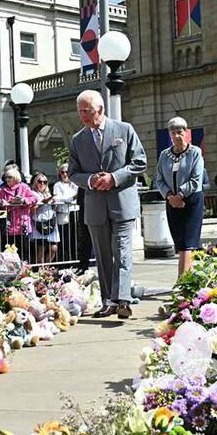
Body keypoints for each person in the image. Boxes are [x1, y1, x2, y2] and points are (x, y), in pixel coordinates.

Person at [67, 88, 147, 319]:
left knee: (121, 252)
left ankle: (122, 300)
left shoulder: (124, 130)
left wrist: (114, 177)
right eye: (80, 110)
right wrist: (91, 180)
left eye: (86, 110)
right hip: (95, 207)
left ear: (100, 109)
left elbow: (139, 162)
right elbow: (73, 173)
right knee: (102, 256)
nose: (82, 115)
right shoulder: (77, 140)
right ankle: (108, 301)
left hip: (121, 203)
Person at [155, 116, 204, 277]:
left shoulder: (195, 152)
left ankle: (182, 280)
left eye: (180, 132)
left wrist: (181, 195)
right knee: (180, 242)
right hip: (171, 202)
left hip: (190, 201)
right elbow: (159, 178)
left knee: (187, 244)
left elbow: (196, 179)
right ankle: (189, 277)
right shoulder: (164, 155)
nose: (177, 136)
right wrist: (170, 196)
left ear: (186, 132)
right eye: (173, 132)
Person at [0, 165, 40, 256]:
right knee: (10, 252)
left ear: (16, 178)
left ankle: (25, 269)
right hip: (9, 226)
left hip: (22, 225)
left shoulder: (24, 187)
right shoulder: (2, 190)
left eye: (10, 177)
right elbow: (1, 209)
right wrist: (5, 204)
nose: (7, 179)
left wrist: (23, 200)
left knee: (24, 252)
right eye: (6, 177)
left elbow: (35, 198)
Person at [29, 172, 59, 264]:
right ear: (35, 182)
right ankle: (41, 271)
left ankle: (47, 268)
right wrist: (42, 203)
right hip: (39, 222)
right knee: (41, 249)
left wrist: (54, 202)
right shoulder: (33, 193)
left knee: (53, 248)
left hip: (50, 222)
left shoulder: (48, 193)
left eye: (45, 182)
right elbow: (31, 210)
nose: (42, 184)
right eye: (40, 181)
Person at [52, 164, 79, 262]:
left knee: (75, 238)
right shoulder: (57, 185)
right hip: (63, 214)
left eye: (66, 172)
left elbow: (78, 196)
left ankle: (75, 259)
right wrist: (71, 198)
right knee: (65, 239)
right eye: (62, 172)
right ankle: (65, 260)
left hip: (75, 212)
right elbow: (57, 198)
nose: (64, 174)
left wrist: (68, 199)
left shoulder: (75, 184)